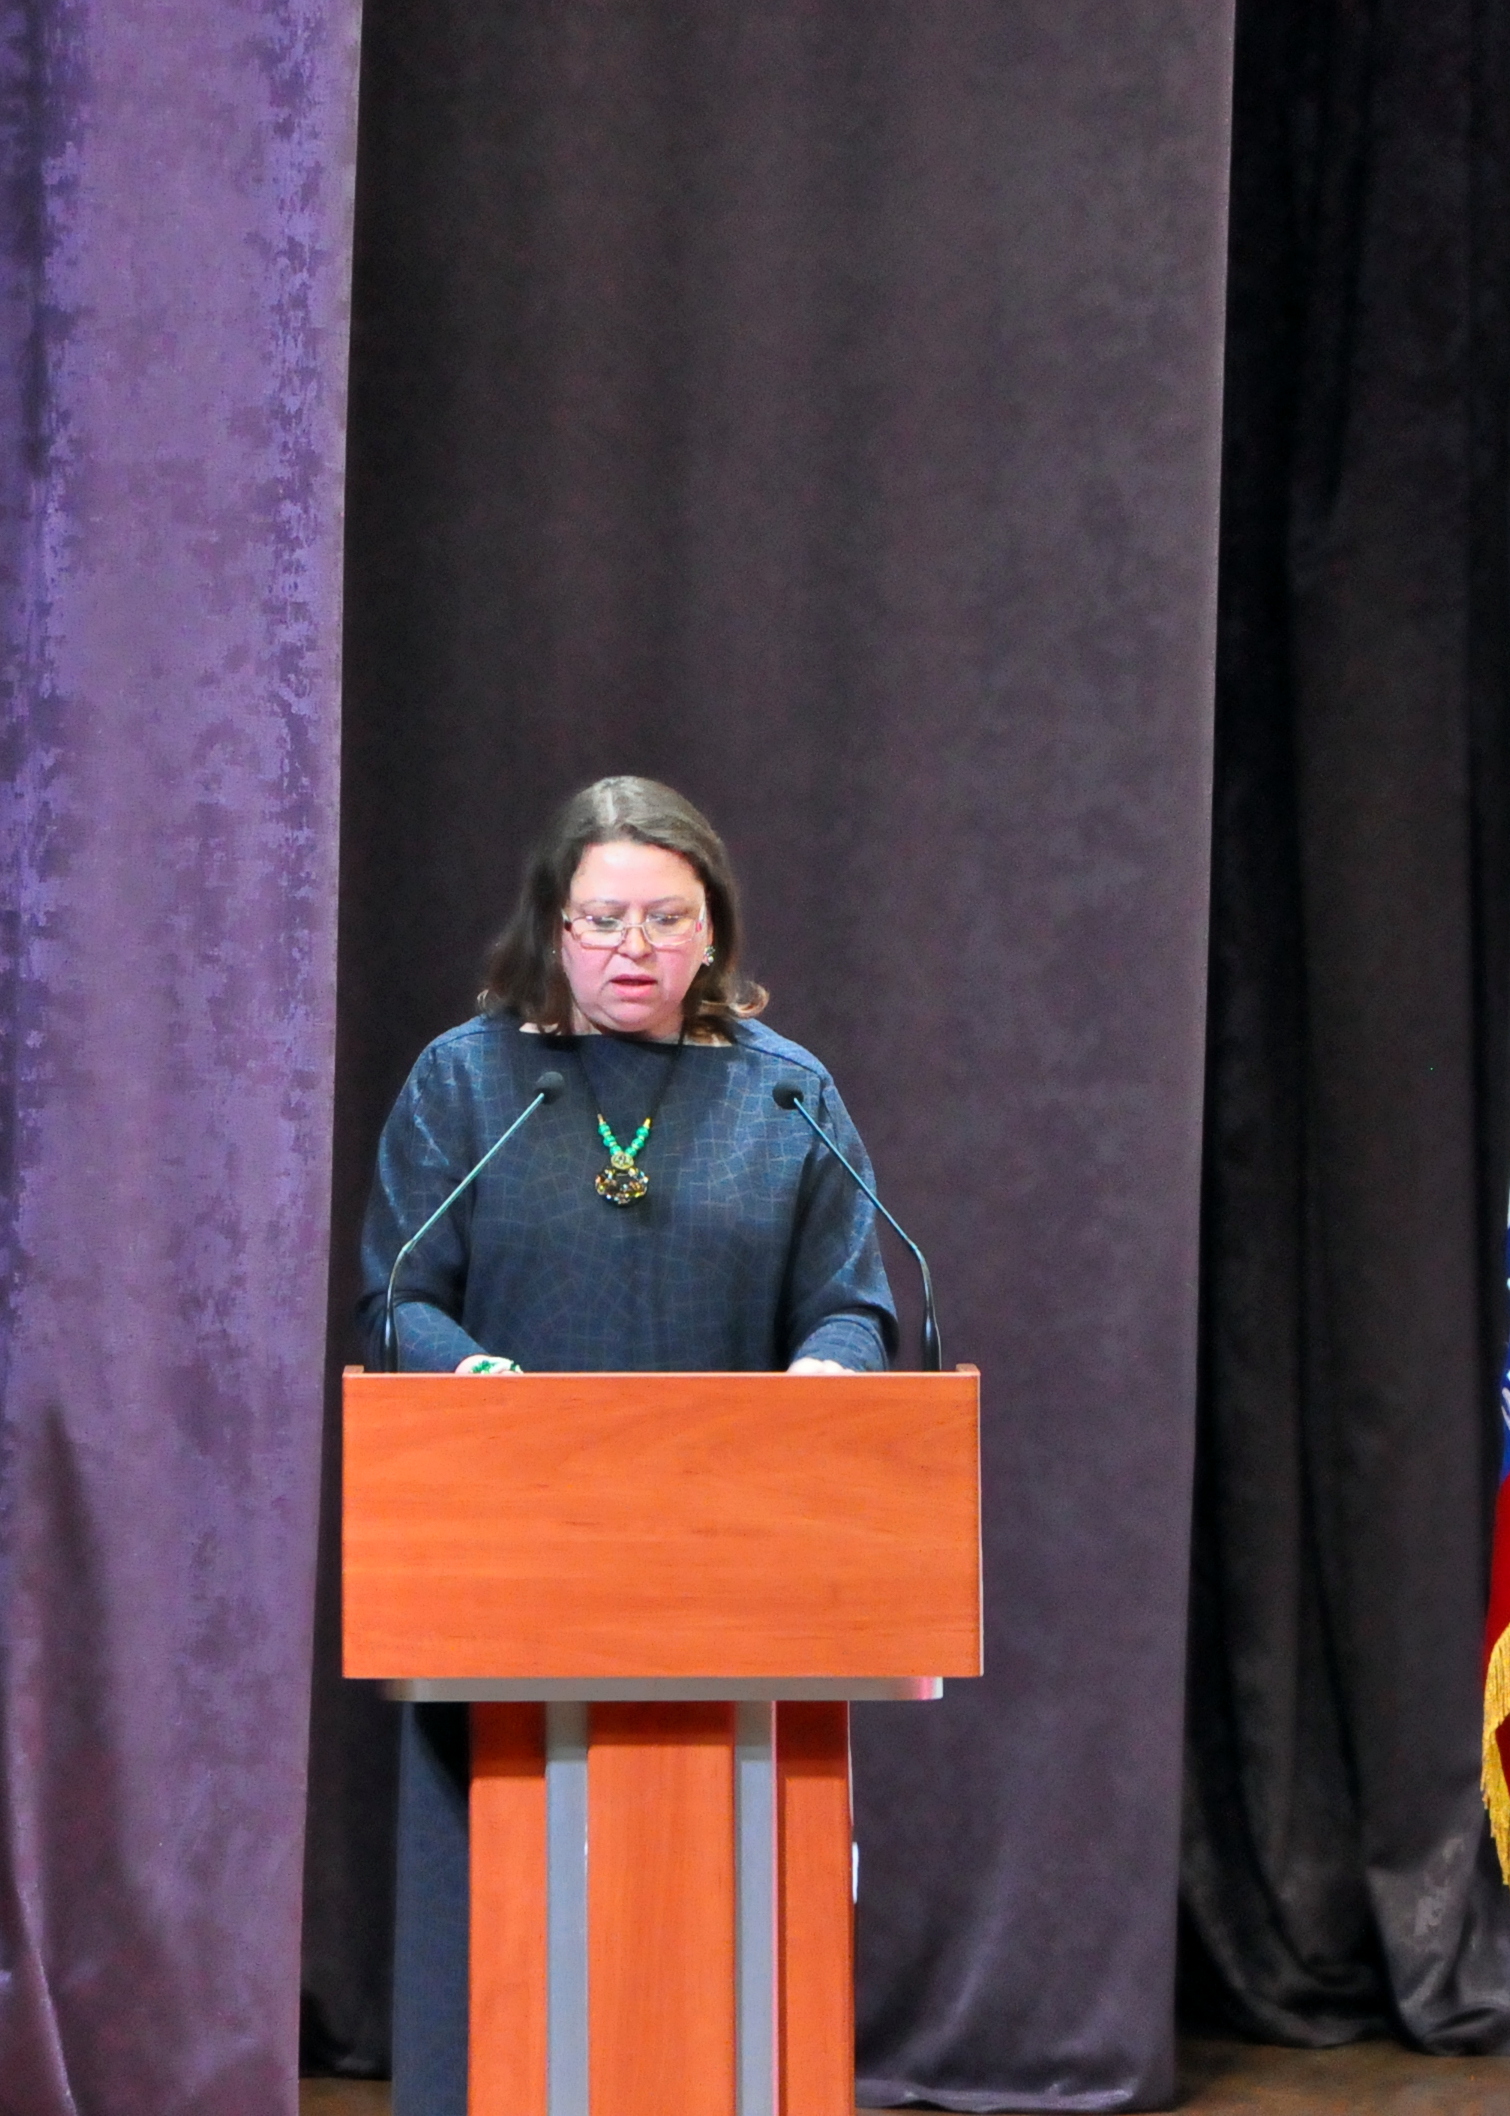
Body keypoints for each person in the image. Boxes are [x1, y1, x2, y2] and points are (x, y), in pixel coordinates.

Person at [360, 774, 896, 2115]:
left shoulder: (786, 1096)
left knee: (709, 1933)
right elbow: (399, 1296)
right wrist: (477, 1377)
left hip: (735, 1578)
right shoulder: (466, 1084)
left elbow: (852, 1301)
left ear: (713, 932)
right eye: (603, 919)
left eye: (667, 918)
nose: (634, 948)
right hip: (507, 1563)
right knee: (509, 1932)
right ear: (554, 924)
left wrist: (828, 1373)